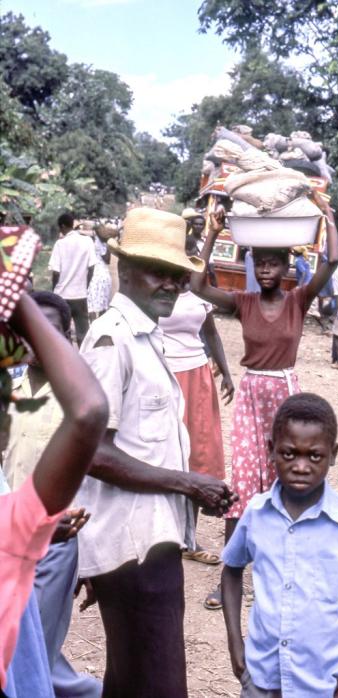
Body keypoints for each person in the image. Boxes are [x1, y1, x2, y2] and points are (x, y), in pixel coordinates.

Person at [78, 207, 237, 698]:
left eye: (176, 274)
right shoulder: (112, 340)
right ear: (123, 269)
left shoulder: (148, 336)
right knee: (160, 679)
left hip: (151, 536)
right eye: (157, 272)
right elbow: (93, 455)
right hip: (132, 545)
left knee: (131, 677)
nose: (171, 284)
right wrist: (188, 482)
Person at [191, 195, 338, 608]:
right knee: (241, 488)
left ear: (287, 269)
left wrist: (327, 217)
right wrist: (214, 232)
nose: (266, 271)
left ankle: (287, 576)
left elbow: (333, 262)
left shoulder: (298, 300)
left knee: (290, 481)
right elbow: (197, 285)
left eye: (273, 264)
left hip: (285, 397)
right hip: (252, 394)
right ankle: (229, 577)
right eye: (260, 264)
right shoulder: (244, 303)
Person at [222, 392, 338, 697]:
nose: (301, 466)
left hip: (323, 684)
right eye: (289, 453)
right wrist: (235, 642)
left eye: (315, 456)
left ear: (333, 454)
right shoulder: (255, 513)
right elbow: (231, 570)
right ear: (271, 450)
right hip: (260, 679)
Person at [0, 292, 108, 694]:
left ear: (67, 337)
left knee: (36, 642)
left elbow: (94, 485)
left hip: (58, 542)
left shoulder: (75, 398)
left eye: (46, 335)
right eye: (22, 335)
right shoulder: (11, 388)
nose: (32, 346)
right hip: (12, 532)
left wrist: (92, 561)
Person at [159, 236, 235, 572]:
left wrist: (227, 374)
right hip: (163, 374)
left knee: (198, 456)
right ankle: (162, 535)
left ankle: (189, 539)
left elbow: (212, 336)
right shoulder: (161, 293)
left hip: (197, 376)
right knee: (165, 454)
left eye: (193, 257)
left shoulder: (199, 298)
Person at [49, 213, 97, 346]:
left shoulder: (60, 244)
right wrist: (85, 285)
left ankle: (67, 361)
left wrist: (54, 290)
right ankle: (84, 361)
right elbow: (92, 267)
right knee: (83, 333)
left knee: (63, 333)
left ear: (63, 226)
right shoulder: (87, 241)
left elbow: (56, 273)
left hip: (62, 296)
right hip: (80, 295)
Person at [87, 224, 112, 321]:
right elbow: (108, 260)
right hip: (105, 274)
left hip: (95, 274)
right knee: (103, 302)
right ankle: (102, 326)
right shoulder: (105, 243)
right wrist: (110, 247)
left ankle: (93, 326)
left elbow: (106, 259)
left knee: (91, 303)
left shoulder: (95, 242)